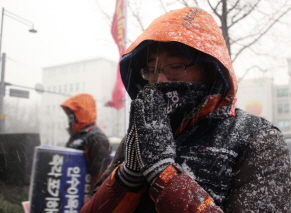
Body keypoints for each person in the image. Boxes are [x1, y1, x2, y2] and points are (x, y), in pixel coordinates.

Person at [80, 7, 291, 213]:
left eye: (175, 66)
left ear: (210, 71)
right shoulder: (138, 136)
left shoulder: (259, 140)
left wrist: (164, 174)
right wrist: (128, 176)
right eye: (151, 70)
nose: (160, 80)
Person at [61, 93, 111, 191]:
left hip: (81, 195)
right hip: (70, 192)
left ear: (82, 113)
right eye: (69, 115)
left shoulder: (97, 138)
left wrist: (91, 200)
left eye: (72, 115)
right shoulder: (77, 136)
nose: (70, 119)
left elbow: (100, 176)